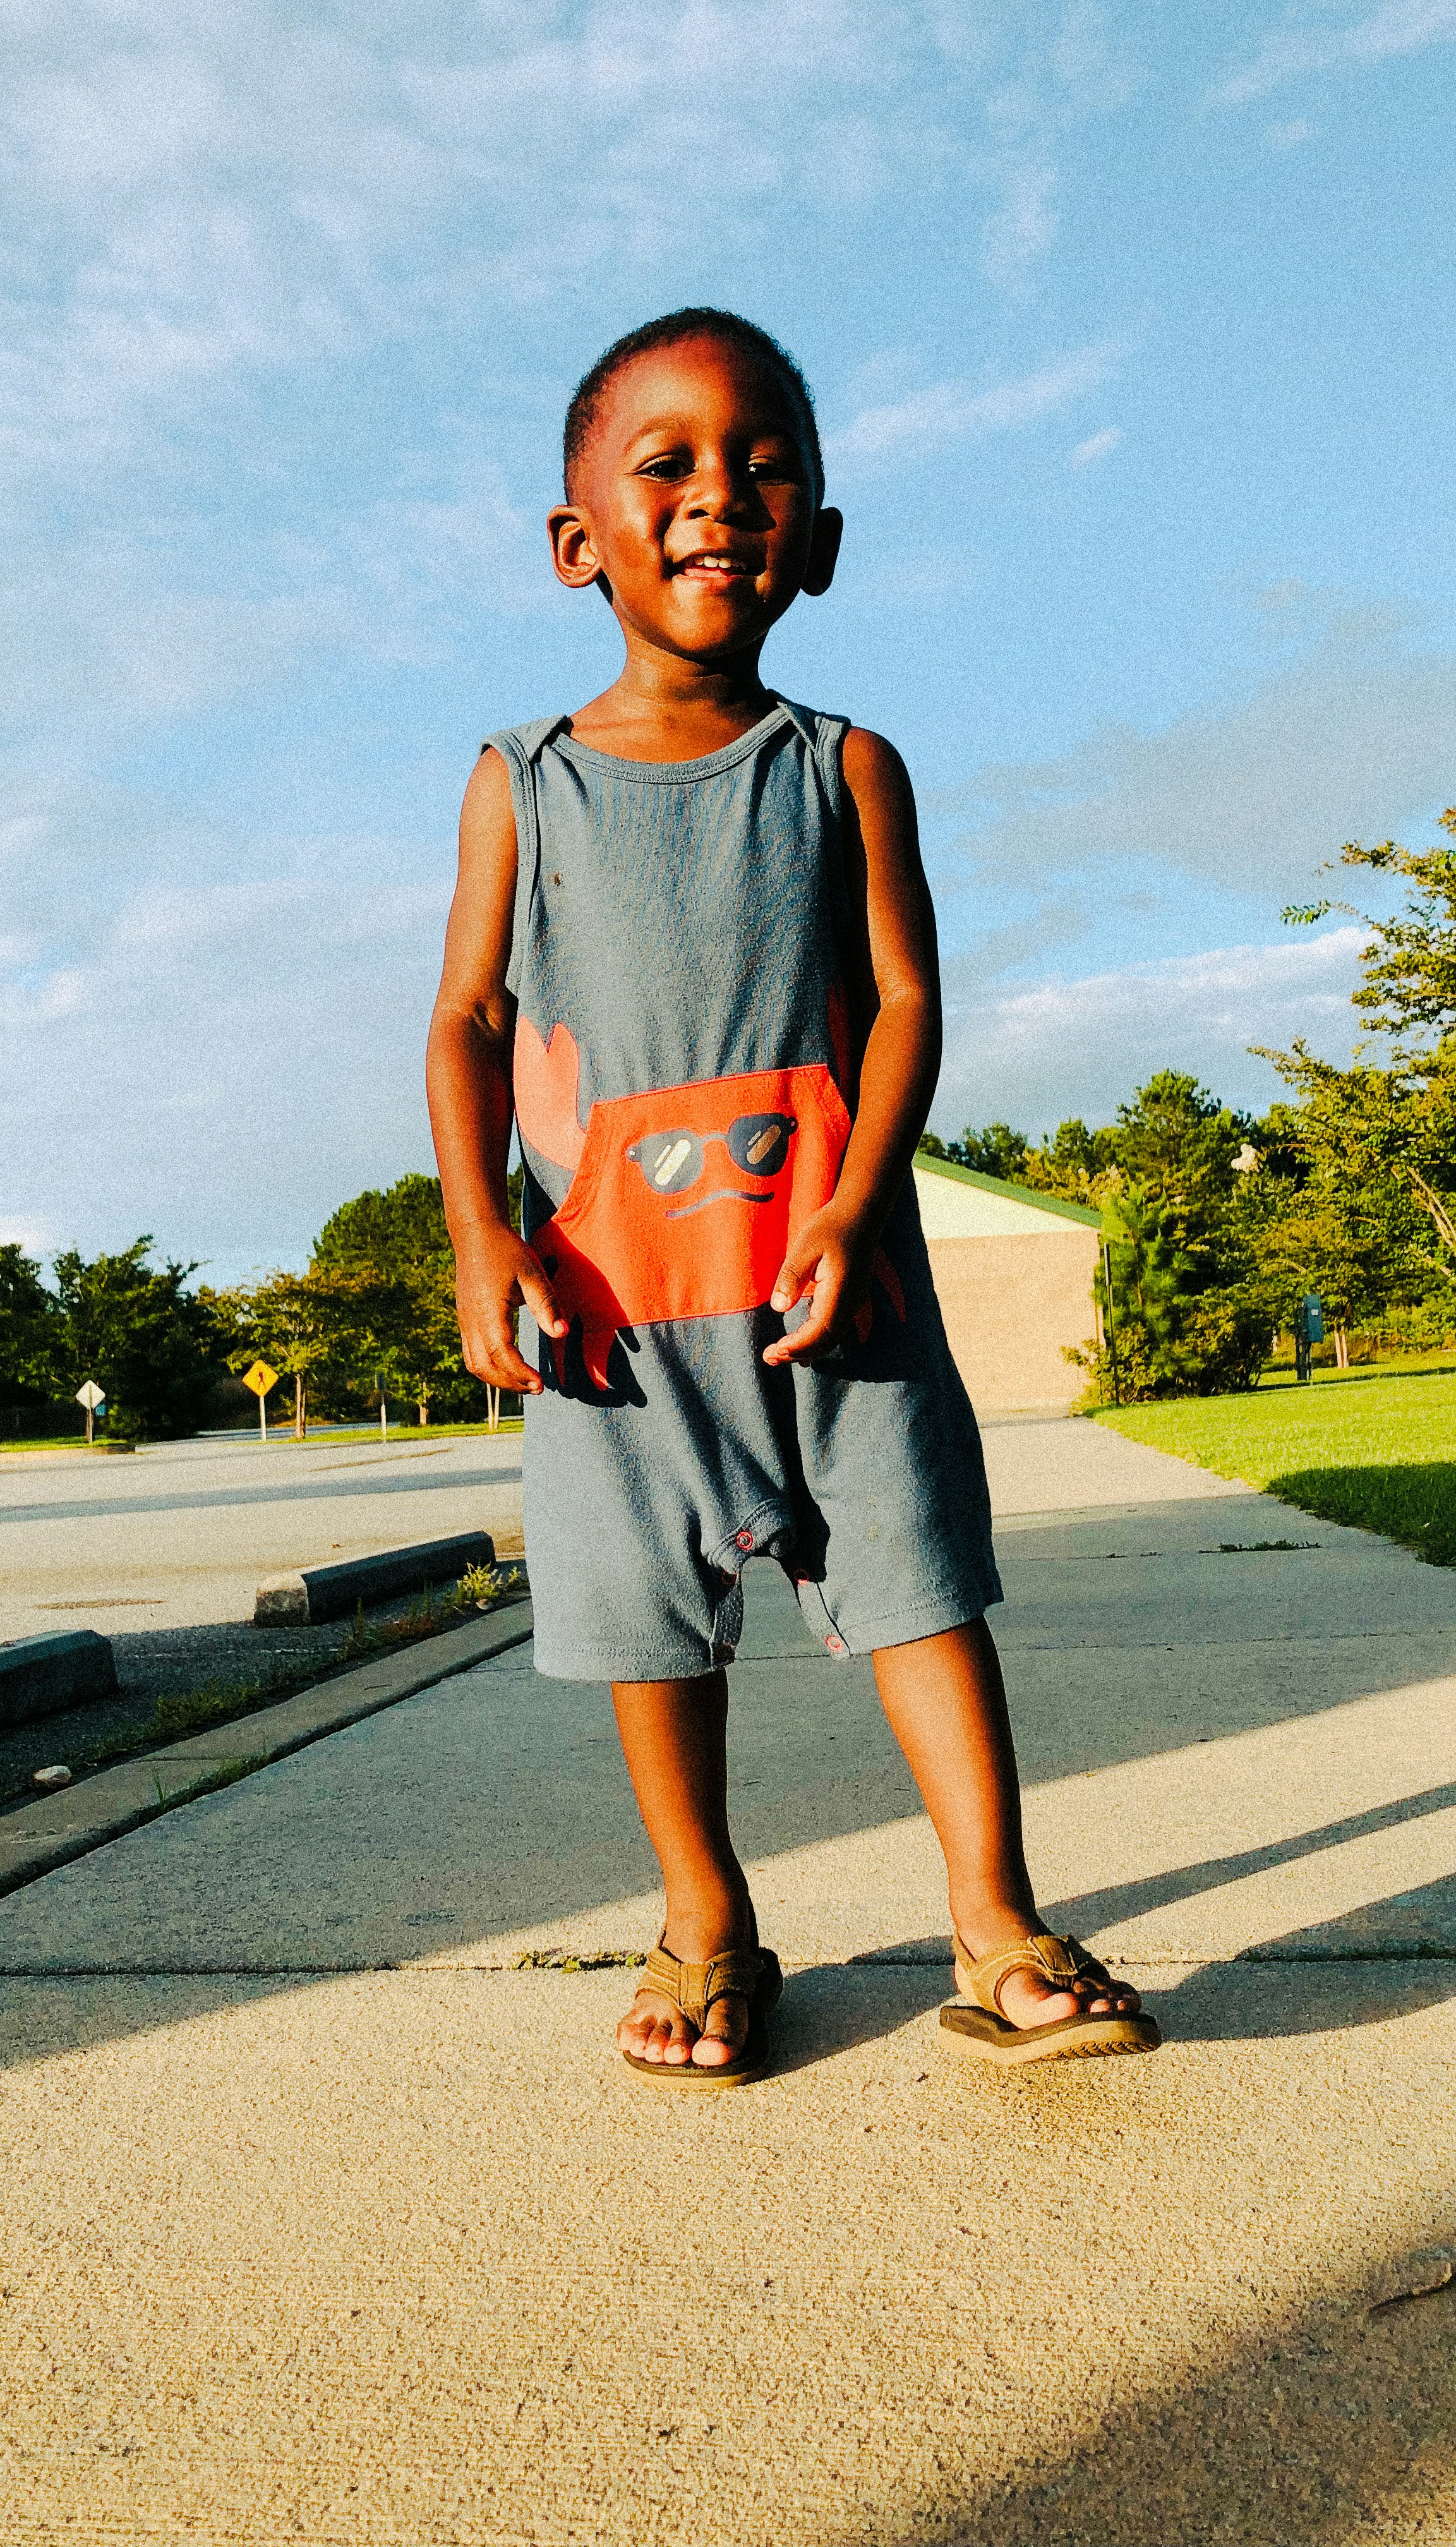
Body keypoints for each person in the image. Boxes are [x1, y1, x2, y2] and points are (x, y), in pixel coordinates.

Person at [426, 308, 1157, 2086]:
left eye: (767, 468)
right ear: (576, 540)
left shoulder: (842, 768)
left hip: (837, 1292)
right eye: (665, 463)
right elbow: (464, 1019)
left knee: (919, 1593)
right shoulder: (523, 782)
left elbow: (906, 1000)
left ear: (817, 541)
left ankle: (994, 1925)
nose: (720, 496)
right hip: (611, 1308)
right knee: (645, 1624)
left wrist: (849, 1203)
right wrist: (478, 1233)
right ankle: (705, 1921)